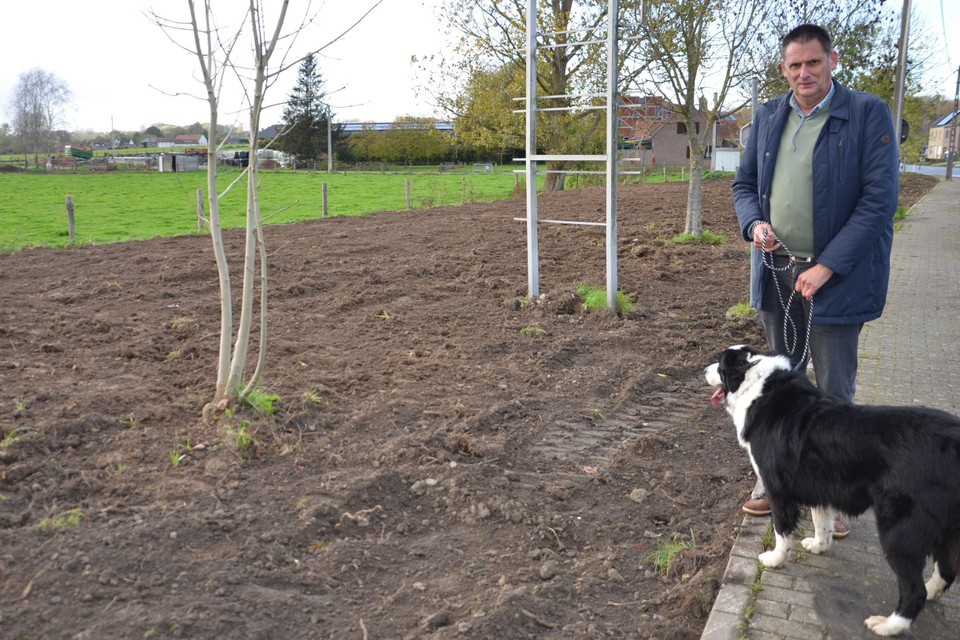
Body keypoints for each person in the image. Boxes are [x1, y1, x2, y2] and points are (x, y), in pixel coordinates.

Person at [731, 24, 900, 537]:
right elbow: (744, 186)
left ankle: (833, 499)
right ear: (783, 69)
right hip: (778, 273)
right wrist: (754, 222)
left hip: (836, 281)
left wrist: (829, 265)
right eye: (794, 66)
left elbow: (879, 201)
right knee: (781, 386)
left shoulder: (866, 114)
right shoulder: (768, 117)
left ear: (832, 61)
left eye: (813, 63)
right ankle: (774, 481)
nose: (804, 74)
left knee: (832, 393)